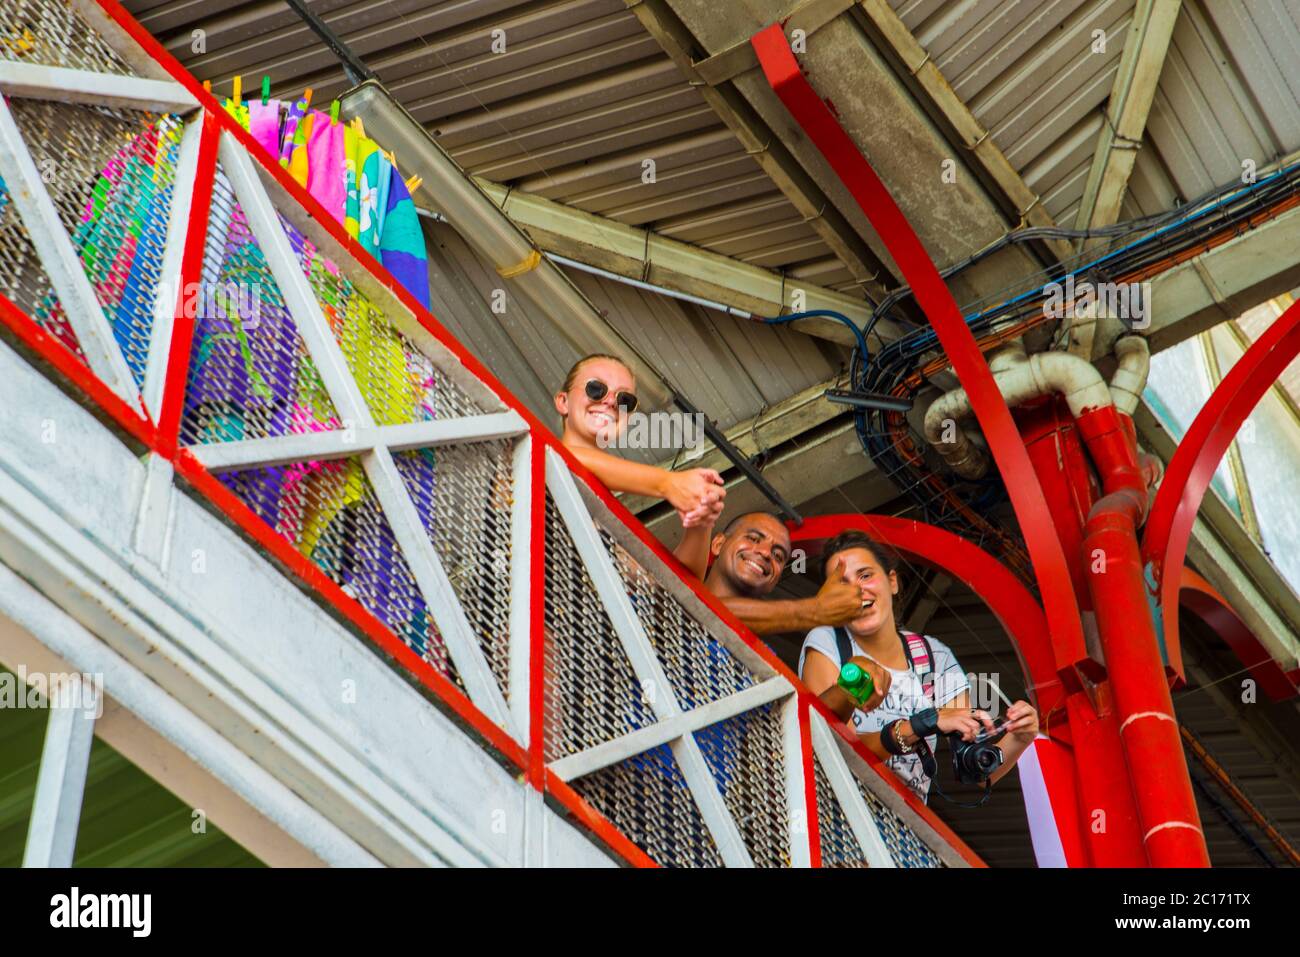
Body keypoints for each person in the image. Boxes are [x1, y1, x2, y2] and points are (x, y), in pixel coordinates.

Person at [798, 530, 1040, 804]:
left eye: (865, 575)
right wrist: (922, 723)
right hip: (836, 813)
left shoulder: (935, 656)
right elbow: (834, 748)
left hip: (899, 834)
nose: (856, 590)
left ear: (892, 582)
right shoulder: (828, 642)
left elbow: (973, 769)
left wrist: (1019, 737)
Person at [703, 510, 891, 713]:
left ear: (774, 580)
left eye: (778, 555)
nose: (766, 553)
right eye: (753, 538)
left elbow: (797, 730)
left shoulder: (767, 661)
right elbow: (703, 608)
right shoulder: (668, 587)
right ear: (718, 544)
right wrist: (815, 611)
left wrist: (848, 686)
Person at [556, 353, 724, 578]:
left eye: (625, 400)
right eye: (596, 388)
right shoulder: (541, 455)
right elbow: (568, 456)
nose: (610, 401)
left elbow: (680, 585)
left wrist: (701, 520)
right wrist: (669, 483)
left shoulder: (607, 518)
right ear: (563, 402)